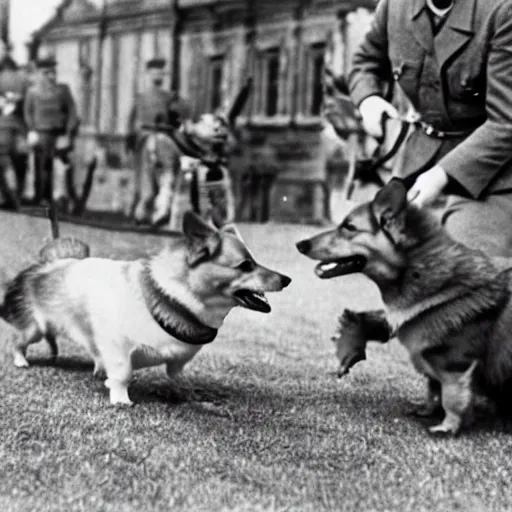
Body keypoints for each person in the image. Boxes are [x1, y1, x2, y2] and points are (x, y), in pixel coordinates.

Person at [349, 0, 512, 257]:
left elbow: (507, 122)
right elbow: (365, 61)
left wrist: (441, 175)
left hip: (492, 167)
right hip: (418, 160)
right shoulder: (394, 7)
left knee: (466, 266)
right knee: (388, 261)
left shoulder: (501, 11)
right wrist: (368, 99)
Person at [126, 57, 191, 224]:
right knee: (146, 179)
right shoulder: (140, 98)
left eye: (161, 73)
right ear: (148, 74)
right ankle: (142, 212)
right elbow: (131, 122)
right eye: (155, 73)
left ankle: (157, 212)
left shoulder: (170, 97)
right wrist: (129, 143)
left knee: (166, 175)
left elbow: (181, 116)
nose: (158, 76)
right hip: (145, 140)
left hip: (163, 138)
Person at [23, 54, 79, 207]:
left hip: (59, 134)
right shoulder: (32, 92)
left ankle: (62, 198)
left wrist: (68, 132)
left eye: (53, 73)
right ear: (39, 74)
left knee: (62, 168)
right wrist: (31, 130)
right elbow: (28, 112)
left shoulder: (62, 90)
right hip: (41, 133)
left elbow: (72, 112)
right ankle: (41, 197)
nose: (51, 76)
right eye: (46, 73)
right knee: (41, 167)